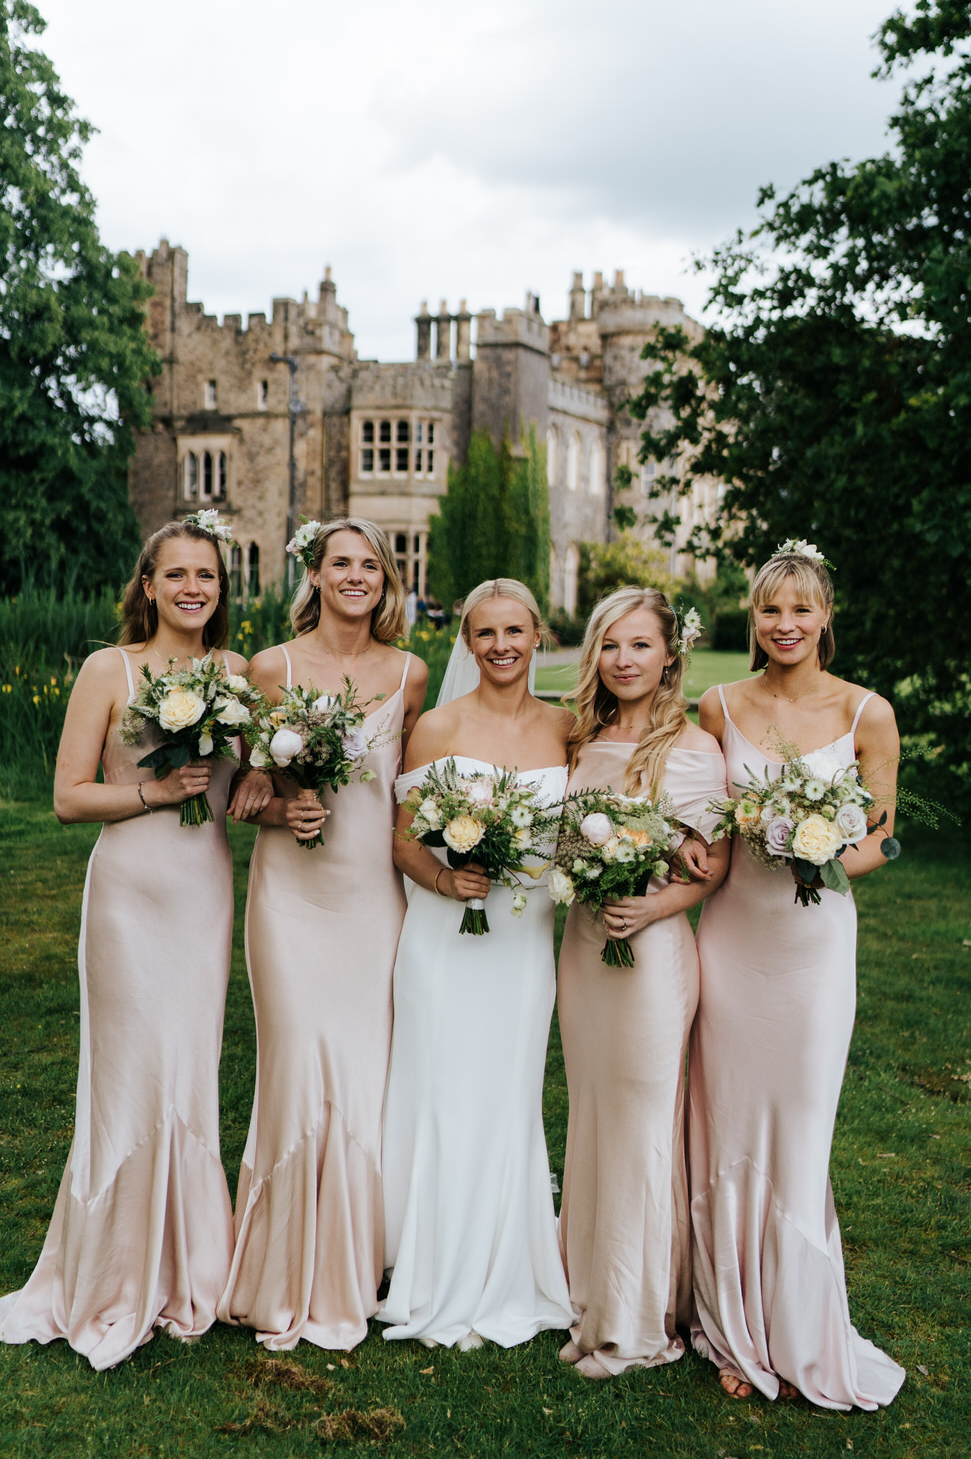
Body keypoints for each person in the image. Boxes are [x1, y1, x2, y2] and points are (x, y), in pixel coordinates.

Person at [0, 515, 268, 1371]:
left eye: (208, 576)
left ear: (223, 591)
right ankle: (113, 1268)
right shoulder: (107, 669)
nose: (193, 588)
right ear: (146, 584)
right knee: (127, 1073)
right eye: (176, 574)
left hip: (202, 893)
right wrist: (155, 792)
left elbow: (262, 771)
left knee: (187, 1064)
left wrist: (259, 774)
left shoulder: (234, 673)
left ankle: (191, 1262)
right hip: (127, 894)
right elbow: (69, 798)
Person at [689, 542, 904, 1409]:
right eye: (770, 611)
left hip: (813, 950)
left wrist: (818, 859)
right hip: (732, 941)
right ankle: (727, 1322)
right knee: (728, 1121)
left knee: (800, 1125)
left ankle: (794, 1319)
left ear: (825, 617)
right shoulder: (717, 706)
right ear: (754, 618)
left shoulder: (865, 713)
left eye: (800, 610)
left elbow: (886, 834)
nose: (784, 626)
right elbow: (698, 821)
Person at [218, 518, 428, 1351]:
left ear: (385, 579)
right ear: (315, 572)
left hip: (373, 900)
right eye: (340, 563)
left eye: (369, 564)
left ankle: (362, 1258)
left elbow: (412, 795)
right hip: (291, 899)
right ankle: (280, 1260)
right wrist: (279, 802)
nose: (355, 576)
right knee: (298, 1064)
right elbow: (242, 789)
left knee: (367, 1072)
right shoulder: (270, 667)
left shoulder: (410, 676)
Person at [379, 578, 574, 1349]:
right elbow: (400, 839)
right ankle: (425, 1263)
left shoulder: (568, 728)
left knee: (508, 1090)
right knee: (442, 1089)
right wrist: (442, 877)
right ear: (466, 641)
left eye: (513, 632)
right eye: (484, 633)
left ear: (537, 636)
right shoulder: (436, 727)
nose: (499, 646)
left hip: (523, 941)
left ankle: (507, 1259)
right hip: (442, 938)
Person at [557, 588, 730, 1380]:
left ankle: (638, 1320)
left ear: (669, 656)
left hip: (653, 954)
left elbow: (711, 865)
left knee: (640, 1123)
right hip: (585, 948)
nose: (623, 661)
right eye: (610, 646)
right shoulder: (580, 739)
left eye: (638, 646)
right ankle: (589, 1295)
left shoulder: (693, 747)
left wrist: (654, 902)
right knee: (592, 1116)